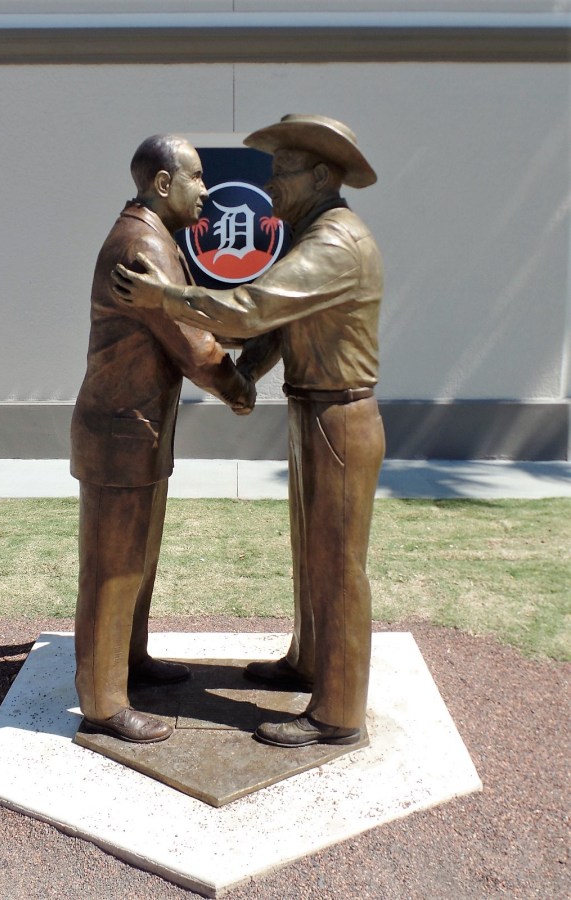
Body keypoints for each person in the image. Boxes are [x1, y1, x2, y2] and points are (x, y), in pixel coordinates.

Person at [111, 114, 385, 749]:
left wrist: (167, 300)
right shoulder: (315, 234)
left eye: (281, 173)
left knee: (339, 565)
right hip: (315, 409)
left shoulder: (335, 243)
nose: (271, 187)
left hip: (340, 414)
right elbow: (284, 327)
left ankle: (337, 713)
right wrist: (248, 375)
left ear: (320, 175)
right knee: (312, 553)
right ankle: (309, 661)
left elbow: (256, 306)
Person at [71, 135, 256, 744]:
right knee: (114, 568)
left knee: (137, 562)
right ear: (162, 184)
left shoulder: (152, 236)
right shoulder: (142, 243)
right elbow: (190, 341)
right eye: (198, 178)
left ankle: (131, 660)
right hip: (121, 432)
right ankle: (102, 701)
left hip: (139, 430)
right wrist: (237, 386)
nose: (207, 190)